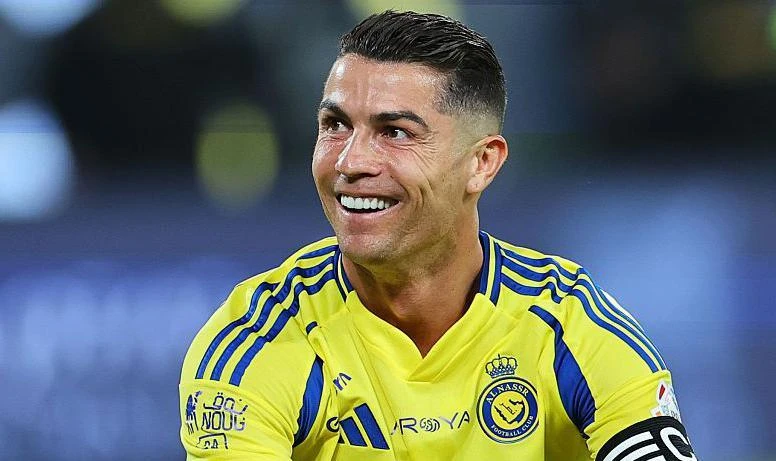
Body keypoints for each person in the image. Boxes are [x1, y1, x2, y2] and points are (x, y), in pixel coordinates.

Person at [179, 10, 698, 461]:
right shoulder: (258, 343)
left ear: (481, 163)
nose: (351, 161)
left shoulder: (571, 329)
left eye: (395, 132)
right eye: (335, 125)